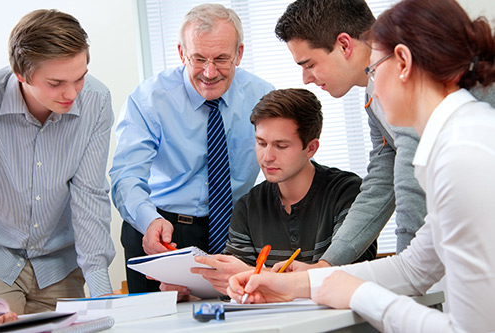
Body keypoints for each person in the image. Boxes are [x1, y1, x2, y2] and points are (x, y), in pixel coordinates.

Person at [227, 0, 495, 331]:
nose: (371, 91)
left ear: (403, 64)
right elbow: (412, 268)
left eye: (373, 70)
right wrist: (301, 283)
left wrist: (359, 294)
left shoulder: (463, 156)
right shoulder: (454, 143)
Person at [109, 3, 274, 296]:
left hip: (233, 229)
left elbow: (283, 165)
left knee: (235, 320)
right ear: (181, 52)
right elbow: (126, 178)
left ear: (239, 53)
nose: (209, 73)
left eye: (222, 58)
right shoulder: (150, 99)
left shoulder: (263, 97)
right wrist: (148, 221)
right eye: (198, 58)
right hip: (162, 230)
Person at [272, 0, 427, 270]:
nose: (306, 78)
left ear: (344, 45)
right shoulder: (373, 94)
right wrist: (326, 264)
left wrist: (408, 269)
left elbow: (410, 174)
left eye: (309, 64)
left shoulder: (405, 70)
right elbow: (382, 182)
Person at [192, 88, 376, 294]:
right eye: (261, 143)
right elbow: (236, 285)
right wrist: (191, 289)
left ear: (311, 148)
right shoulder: (248, 206)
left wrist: (254, 274)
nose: (267, 156)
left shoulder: (347, 192)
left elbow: (353, 274)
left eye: (281, 146)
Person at [0, 10, 115, 314]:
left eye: (80, 78)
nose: (71, 93)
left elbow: (90, 196)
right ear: (21, 74)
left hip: (58, 265)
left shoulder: (97, 101)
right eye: (56, 83)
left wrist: (102, 294)